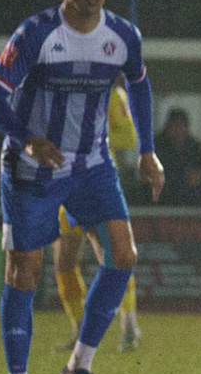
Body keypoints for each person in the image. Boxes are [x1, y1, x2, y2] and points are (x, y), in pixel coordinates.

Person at [0, 0, 163, 374]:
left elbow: (139, 84)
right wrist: (27, 138)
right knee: (24, 271)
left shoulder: (122, 36)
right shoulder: (37, 34)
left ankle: (79, 366)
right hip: (34, 167)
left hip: (91, 166)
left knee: (123, 255)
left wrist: (147, 151)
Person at [54, 85, 142, 353]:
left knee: (113, 255)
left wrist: (92, 136)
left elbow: (129, 136)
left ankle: (128, 324)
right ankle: (80, 330)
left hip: (97, 181)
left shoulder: (111, 92)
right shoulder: (58, 89)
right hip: (65, 183)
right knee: (63, 261)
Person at [151, 108, 201, 204]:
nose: (178, 130)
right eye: (174, 126)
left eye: (181, 126)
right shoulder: (157, 146)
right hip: (162, 198)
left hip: (189, 199)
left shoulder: (195, 147)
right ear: (167, 127)